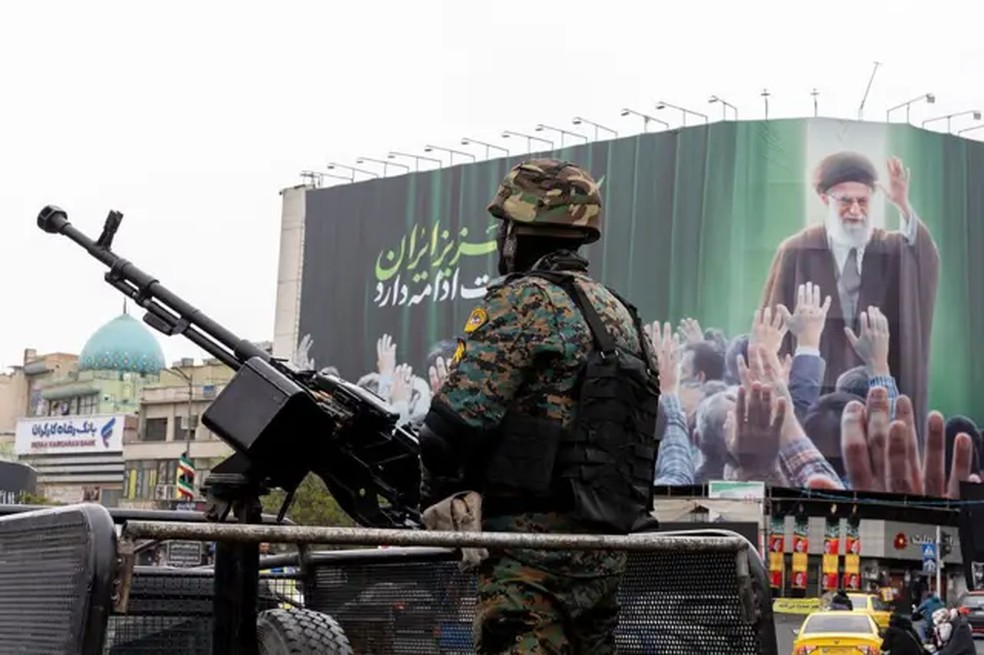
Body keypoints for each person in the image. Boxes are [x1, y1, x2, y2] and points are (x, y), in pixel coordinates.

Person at [416, 158, 662, 653]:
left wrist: (433, 495)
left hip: (529, 559)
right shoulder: (622, 313)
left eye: (504, 226)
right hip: (605, 553)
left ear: (517, 231)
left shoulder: (525, 300)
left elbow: (452, 426)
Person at [759, 152, 939, 433]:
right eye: (845, 201)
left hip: (876, 398)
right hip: (812, 401)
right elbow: (770, 334)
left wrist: (903, 205)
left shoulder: (893, 248)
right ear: (825, 199)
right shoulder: (795, 250)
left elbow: (924, 257)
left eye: (863, 201)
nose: (855, 210)